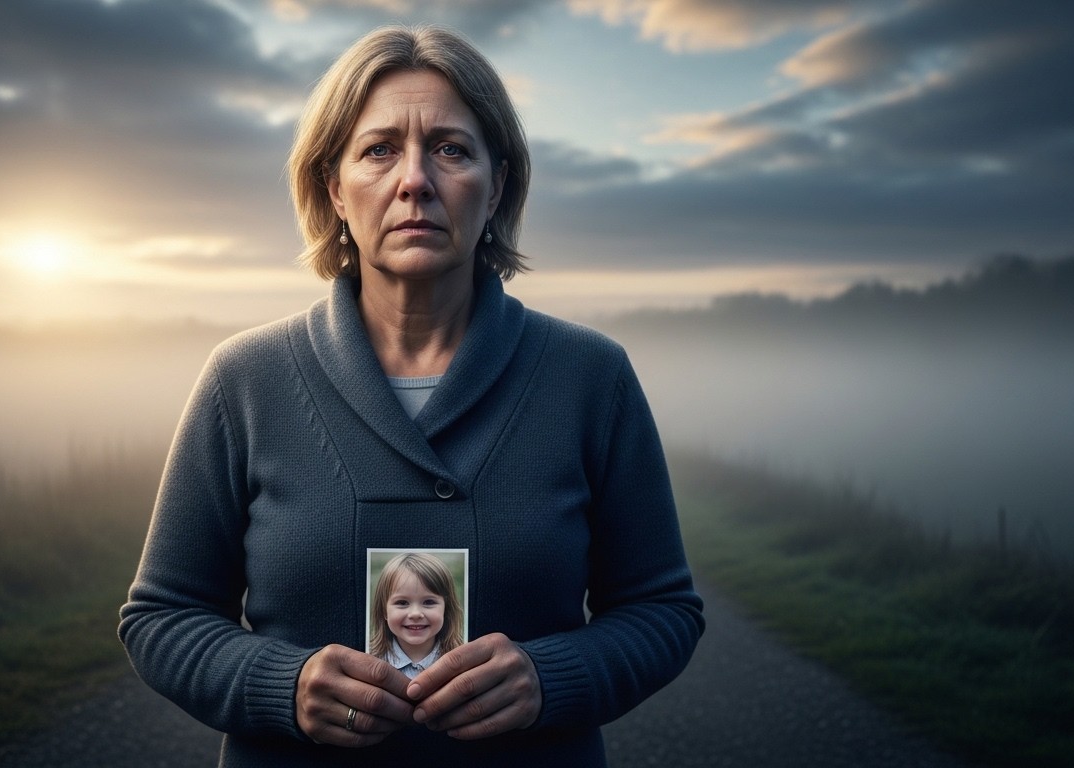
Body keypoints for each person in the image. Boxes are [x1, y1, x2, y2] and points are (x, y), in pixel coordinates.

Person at [119, 23, 704, 766]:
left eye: (452, 149)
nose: (415, 180)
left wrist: (549, 679)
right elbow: (162, 617)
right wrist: (282, 684)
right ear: (333, 187)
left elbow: (663, 610)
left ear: (498, 186)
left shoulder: (591, 377)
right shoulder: (244, 379)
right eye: (379, 149)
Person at [368, 552, 465, 679]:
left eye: (429, 602)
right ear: (384, 611)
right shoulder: (367, 659)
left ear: (446, 609)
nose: (415, 614)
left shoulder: (464, 660)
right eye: (402, 603)